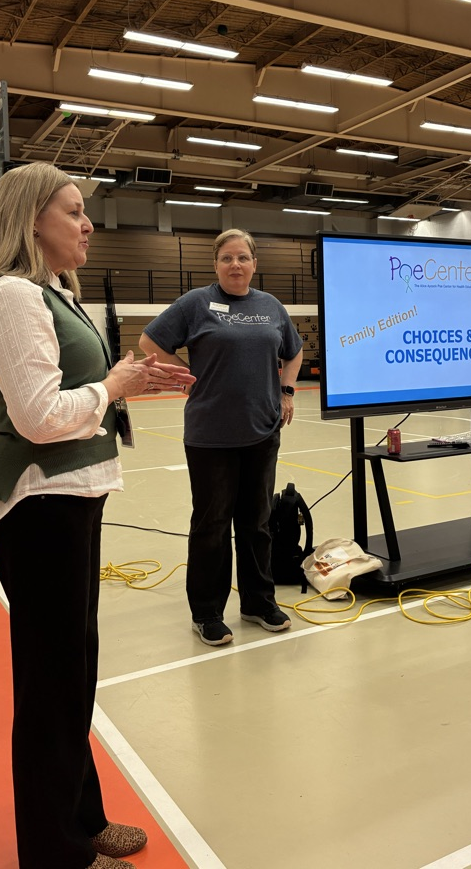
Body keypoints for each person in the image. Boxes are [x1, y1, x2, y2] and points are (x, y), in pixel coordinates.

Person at [0, 162, 194, 869]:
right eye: (72, 211)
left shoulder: (49, 292)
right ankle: (55, 853)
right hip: (38, 507)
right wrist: (113, 384)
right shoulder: (9, 296)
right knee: (52, 686)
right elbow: (38, 418)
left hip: (68, 501)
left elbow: (74, 394)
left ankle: (80, 822)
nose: (87, 223)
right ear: (31, 220)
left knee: (71, 677)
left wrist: (125, 381)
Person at [139, 228, 303, 647]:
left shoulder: (270, 307)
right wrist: (184, 378)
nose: (236, 265)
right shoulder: (195, 303)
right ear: (216, 264)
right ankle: (207, 612)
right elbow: (149, 340)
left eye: (243, 258)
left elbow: (293, 350)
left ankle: (257, 603)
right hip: (210, 436)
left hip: (262, 431)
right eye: (227, 258)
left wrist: (286, 390)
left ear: (253, 263)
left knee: (257, 523)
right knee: (211, 525)